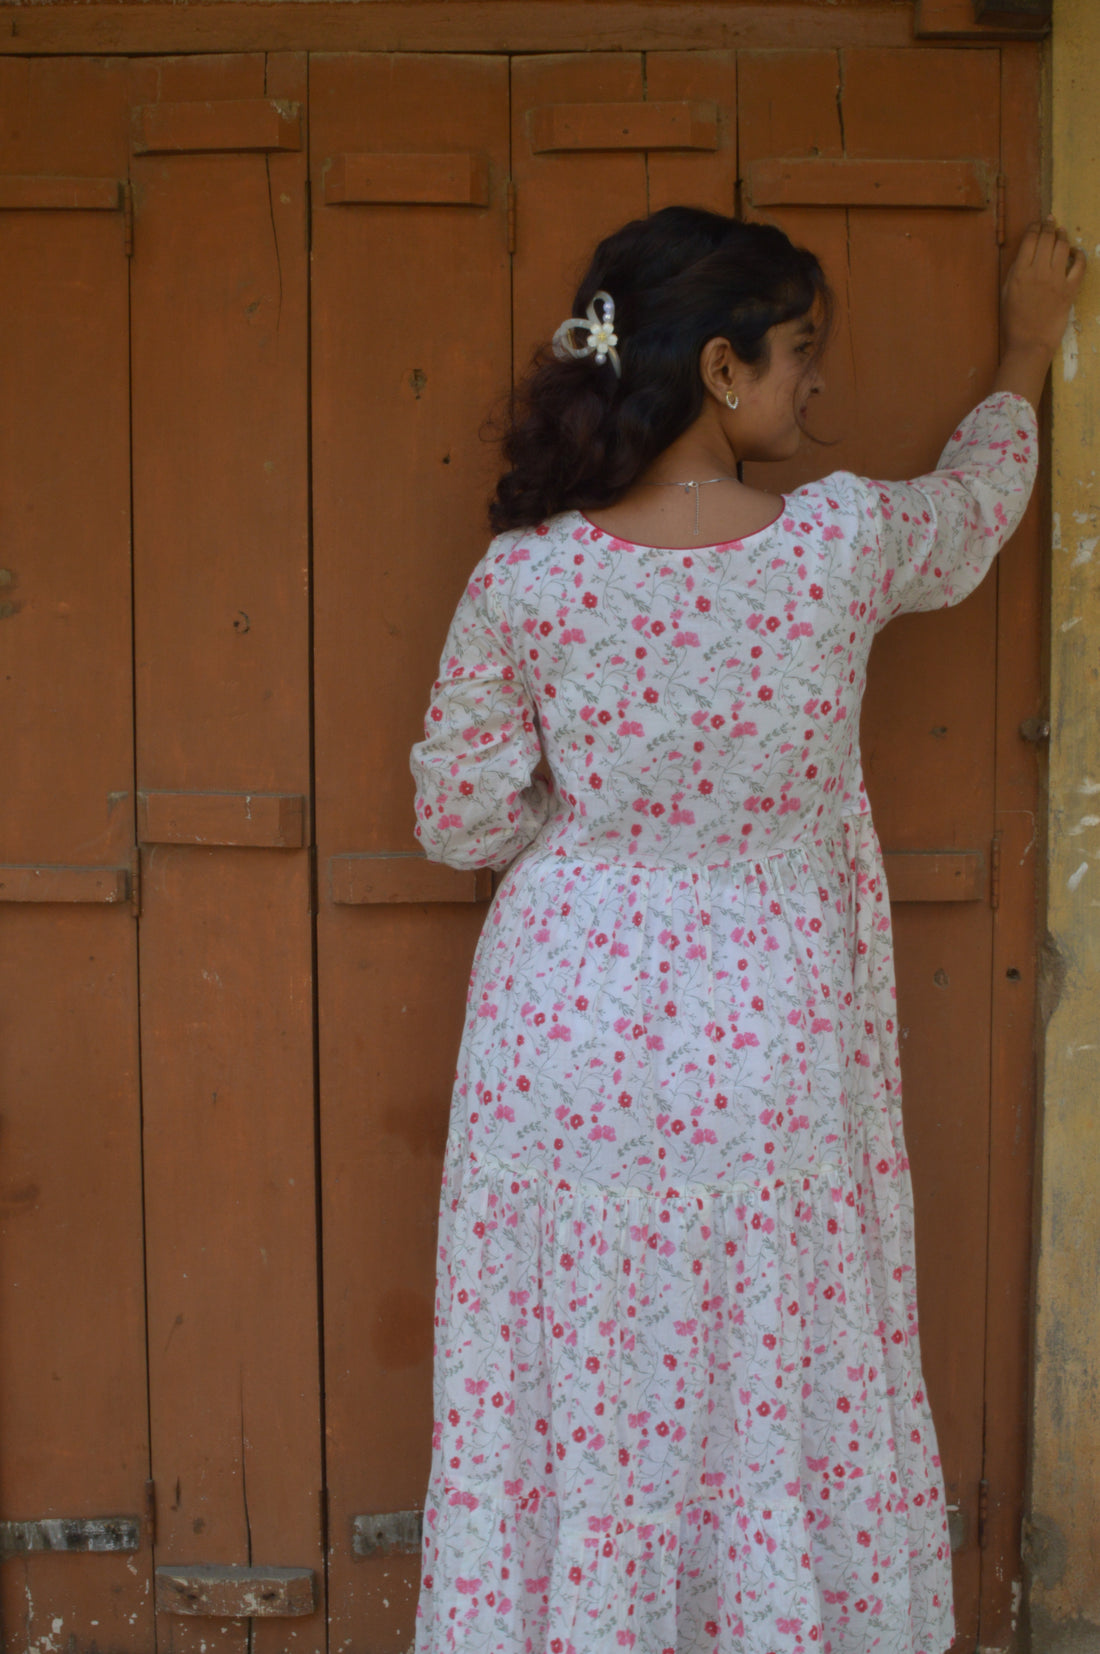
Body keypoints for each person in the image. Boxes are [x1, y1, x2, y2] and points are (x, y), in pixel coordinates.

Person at [409, 208, 1084, 1654]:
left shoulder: (527, 576)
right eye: (798, 358)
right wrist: (1025, 345)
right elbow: (975, 510)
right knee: (769, 1369)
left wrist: (603, 850)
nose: (814, 388)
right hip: (765, 1027)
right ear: (721, 370)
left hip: (558, 1042)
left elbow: (458, 816)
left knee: (585, 1381)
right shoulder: (837, 544)